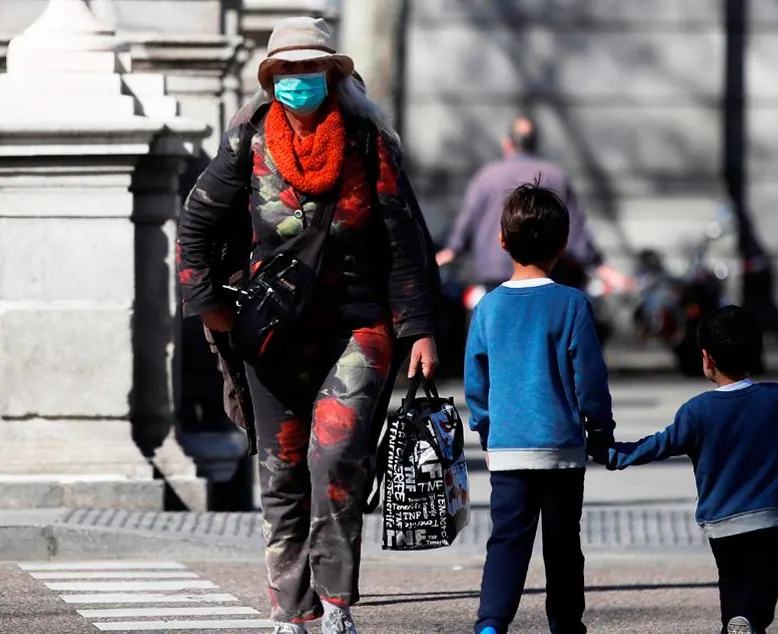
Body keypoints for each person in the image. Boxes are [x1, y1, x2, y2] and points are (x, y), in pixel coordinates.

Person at [176, 16, 439, 634]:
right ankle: (291, 610)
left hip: (358, 325)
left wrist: (420, 327)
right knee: (282, 467)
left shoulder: (368, 142)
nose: (299, 80)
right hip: (271, 333)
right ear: (272, 78)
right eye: (287, 70)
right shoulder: (248, 142)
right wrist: (209, 303)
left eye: (310, 68)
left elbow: (406, 241)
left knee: (338, 460)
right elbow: (196, 224)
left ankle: (338, 603)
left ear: (332, 74)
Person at [601, 305, 778, 634]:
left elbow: (657, 445)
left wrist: (613, 454)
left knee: (731, 582)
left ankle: (736, 621)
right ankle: (746, 620)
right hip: (765, 521)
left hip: (719, 525)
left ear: (707, 358)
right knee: (765, 587)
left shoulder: (696, 411)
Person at [462, 181, 616, 634]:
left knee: (506, 540)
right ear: (563, 246)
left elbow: (477, 379)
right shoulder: (572, 304)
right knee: (563, 544)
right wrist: (600, 429)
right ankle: (566, 624)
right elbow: (589, 378)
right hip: (562, 449)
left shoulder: (488, 308)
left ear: (502, 241)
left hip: (508, 448)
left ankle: (491, 622)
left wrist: (486, 430)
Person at [435, 115, 632, 292]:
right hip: (544, 277)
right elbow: (577, 233)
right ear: (536, 144)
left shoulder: (485, 177)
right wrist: (600, 266)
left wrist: (449, 251)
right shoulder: (556, 176)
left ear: (507, 143)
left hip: (493, 275)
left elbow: (465, 224)